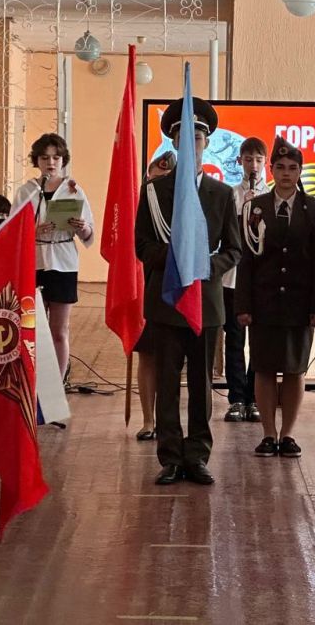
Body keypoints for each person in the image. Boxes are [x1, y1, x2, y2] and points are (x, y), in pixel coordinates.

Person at [135, 96, 241, 486]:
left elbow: (234, 249)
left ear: (206, 142)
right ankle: (170, 457)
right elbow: (142, 246)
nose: (191, 143)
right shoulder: (153, 192)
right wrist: (176, 257)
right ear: (173, 141)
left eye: (198, 136)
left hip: (205, 302)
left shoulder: (221, 194)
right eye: (183, 136)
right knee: (167, 383)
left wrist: (203, 266)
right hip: (166, 300)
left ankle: (197, 455)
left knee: (201, 384)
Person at [236, 136, 315, 457]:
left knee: (294, 370)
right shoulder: (255, 207)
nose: (286, 173)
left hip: (299, 305)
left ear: (300, 171)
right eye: (280, 167)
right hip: (263, 302)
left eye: (292, 168)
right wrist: (243, 304)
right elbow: (246, 260)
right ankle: (267, 434)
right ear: (272, 170)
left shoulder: (314, 209)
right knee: (263, 368)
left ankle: (287, 434)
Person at [12, 134, 94, 383]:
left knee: (59, 329)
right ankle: (31, 382)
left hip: (63, 261)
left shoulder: (74, 190)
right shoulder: (27, 191)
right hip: (34, 261)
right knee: (32, 327)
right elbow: (12, 231)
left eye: (56, 158)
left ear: (63, 160)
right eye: (45, 158)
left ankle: (57, 382)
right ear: (36, 161)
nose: (51, 163)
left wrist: (82, 227)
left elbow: (89, 234)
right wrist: (33, 231)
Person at [221, 136, 268, 424]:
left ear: (265, 163)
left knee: (259, 341)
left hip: (261, 281)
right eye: (248, 159)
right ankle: (237, 397)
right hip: (233, 279)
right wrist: (243, 211)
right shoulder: (231, 195)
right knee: (234, 339)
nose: (253, 165)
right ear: (240, 161)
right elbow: (227, 236)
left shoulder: (272, 196)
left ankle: (255, 397)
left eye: (258, 160)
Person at [133, 154, 176, 441]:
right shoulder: (142, 206)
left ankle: (169, 420)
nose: (157, 186)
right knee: (147, 354)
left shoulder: (181, 206)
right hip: (144, 288)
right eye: (153, 180)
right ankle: (149, 420)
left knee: (171, 359)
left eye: (165, 180)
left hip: (175, 290)